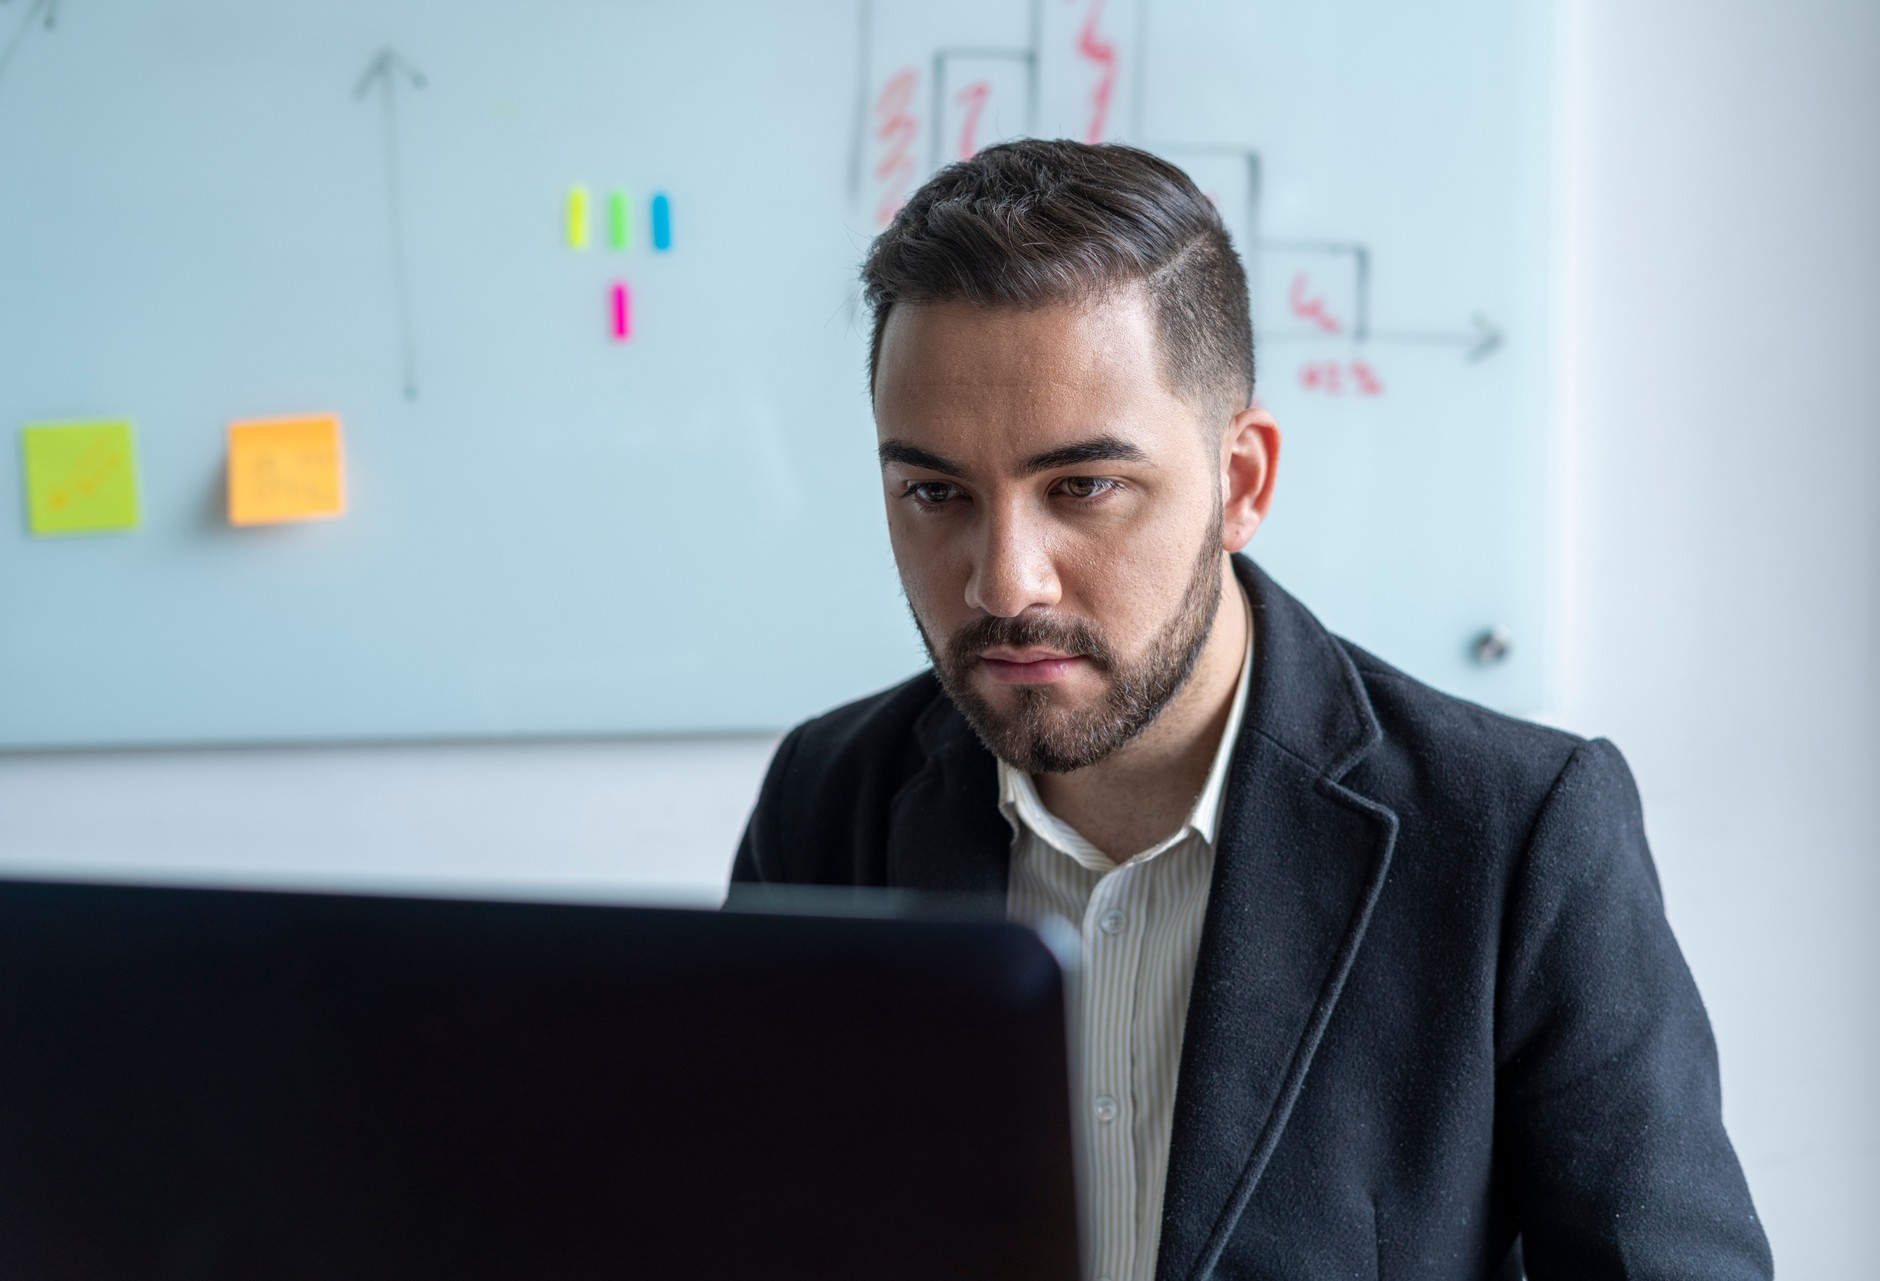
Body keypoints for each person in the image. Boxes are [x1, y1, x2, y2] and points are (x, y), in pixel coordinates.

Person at [730, 139, 1770, 1281]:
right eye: (935, 493)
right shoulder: (828, 800)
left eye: (1083, 488)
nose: (1004, 581)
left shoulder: (1516, 831)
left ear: (1246, 482)